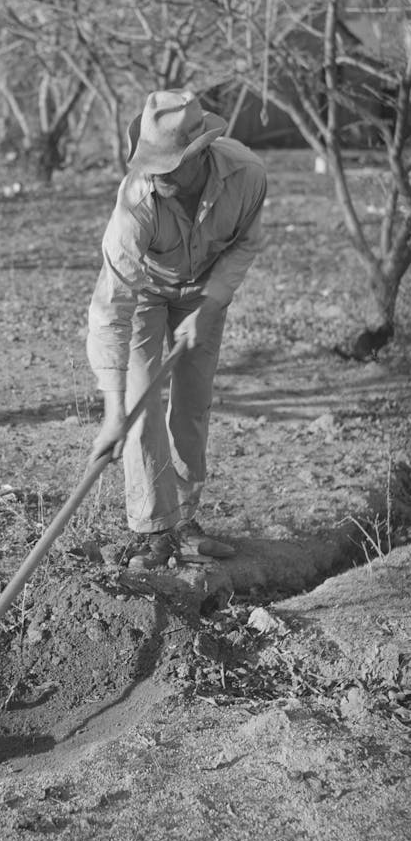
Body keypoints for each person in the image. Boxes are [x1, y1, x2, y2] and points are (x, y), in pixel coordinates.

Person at [87, 88, 267, 569]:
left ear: (200, 153)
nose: (156, 173)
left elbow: (244, 246)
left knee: (192, 403)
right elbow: (111, 304)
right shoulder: (137, 201)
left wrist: (208, 306)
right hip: (146, 291)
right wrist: (111, 410)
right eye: (151, 162)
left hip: (205, 290)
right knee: (139, 404)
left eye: (168, 164)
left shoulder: (246, 176)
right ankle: (153, 531)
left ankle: (184, 521)